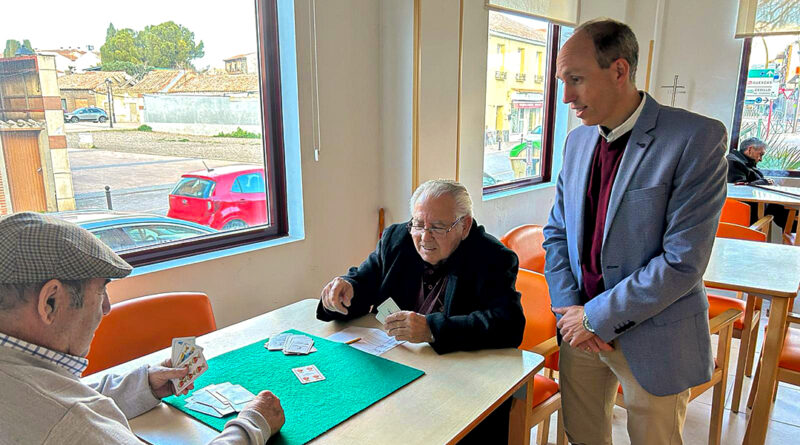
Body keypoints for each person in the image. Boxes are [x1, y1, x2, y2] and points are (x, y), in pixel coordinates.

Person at [542, 19, 727, 445]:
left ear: (620, 71)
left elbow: (683, 262)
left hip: (653, 333)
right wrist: (571, 310)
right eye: (562, 81)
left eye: (576, 80)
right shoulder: (577, 142)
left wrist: (595, 317)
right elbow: (556, 235)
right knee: (584, 436)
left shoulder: (694, 138)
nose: (566, 96)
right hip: (578, 331)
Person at [0, 212, 285, 445]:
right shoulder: (71, 423)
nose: (106, 308)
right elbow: (67, 409)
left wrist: (142, 385)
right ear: (50, 301)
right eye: (101, 291)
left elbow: (59, 390)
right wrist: (251, 426)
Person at [317, 179, 525, 442]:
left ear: (465, 225)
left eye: (438, 227)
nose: (425, 237)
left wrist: (431, 329)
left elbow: (509, 324)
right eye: (418, 224)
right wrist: (343, 290)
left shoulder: (492, 257)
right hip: (397, 372)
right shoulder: (396, 239)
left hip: (462, 386)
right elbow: (364, 281)